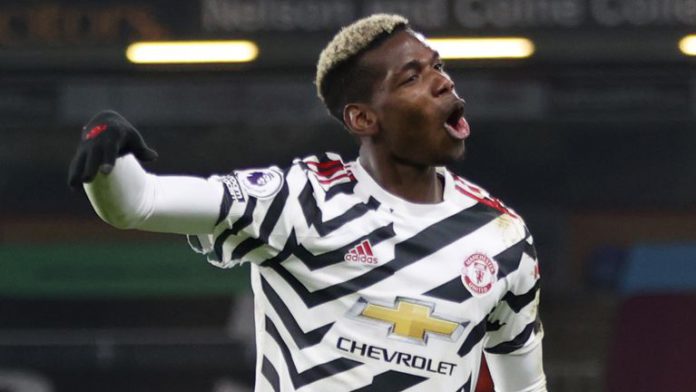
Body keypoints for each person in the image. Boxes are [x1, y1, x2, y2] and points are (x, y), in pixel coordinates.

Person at [68, 13, 546, 392]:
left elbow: (524, 387)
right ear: (363, 118)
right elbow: (139, 202)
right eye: (411, 78)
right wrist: (107, 152)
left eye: (438, 67)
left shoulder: (502, 236)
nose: (443, 82)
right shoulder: (300, 200)